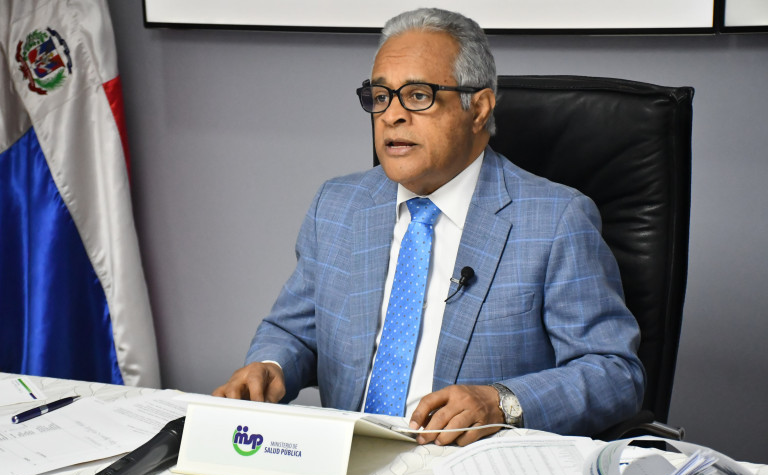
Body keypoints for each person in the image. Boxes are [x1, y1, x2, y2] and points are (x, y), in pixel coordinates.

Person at [214, 7, 645, 446]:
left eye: (417, 95)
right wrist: (270, 366)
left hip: (469, 465)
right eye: (380, 96)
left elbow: (615, 372)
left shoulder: (556, 219)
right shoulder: (338, 205)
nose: (391, 115)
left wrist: (502, 403)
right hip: (345, 461)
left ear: (478, 109)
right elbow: (293, 332)